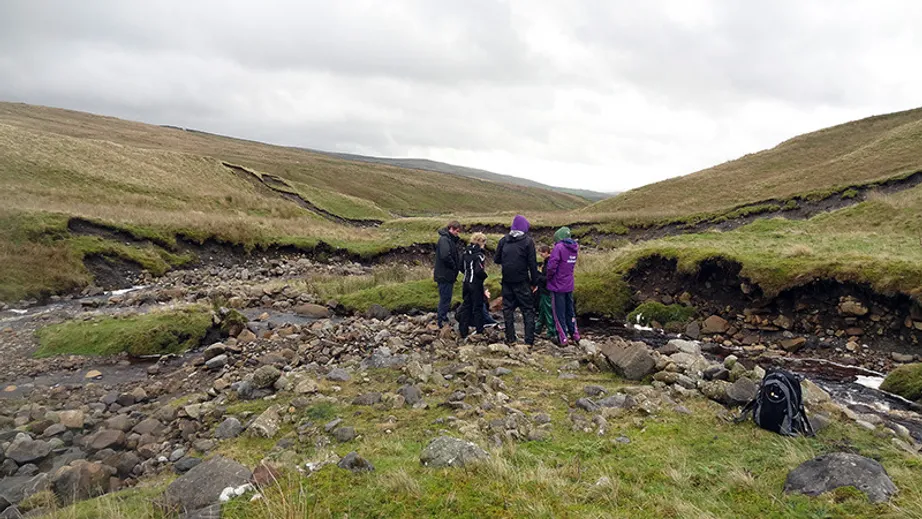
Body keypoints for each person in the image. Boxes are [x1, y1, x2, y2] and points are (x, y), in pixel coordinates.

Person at [494, 215, 538, 345]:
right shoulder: (528, 242)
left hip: (507, 281)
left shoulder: (503, 240)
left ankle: (511, 339)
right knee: (528, 310)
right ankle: (529, 341)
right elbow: (532, 264)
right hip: (522, 281)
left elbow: (496, 259)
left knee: (508, 310)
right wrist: (534, 282)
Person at [547, 226, 580, 345]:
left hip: (557, 285)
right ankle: (575, 334)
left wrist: (548, 277)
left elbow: (552, 266)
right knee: (570, 310)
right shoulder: (574, 248)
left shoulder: (559, 247)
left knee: (558, 312)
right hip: (569, 284)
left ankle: (563, 337)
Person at [457, 232, 488, 338]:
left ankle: (463, 330)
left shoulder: (465, 252)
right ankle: (479, 330)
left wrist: (467, 272)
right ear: (481, 242)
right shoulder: (480, 255)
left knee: (466, 305)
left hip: (466, 282)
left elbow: (460, 266)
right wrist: (484, 276)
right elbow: (479, 270)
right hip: (475, 283)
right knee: (477, 307)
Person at [433, 220, 462, 328]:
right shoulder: (445, 240)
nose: (457, 234)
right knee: (445, 298)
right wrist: (454, 266)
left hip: (445, 274)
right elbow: (445, 255)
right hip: (444, 275)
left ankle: (443, 317)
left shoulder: (447, 239)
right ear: (451, 228)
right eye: (456, 231)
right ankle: (441, 320)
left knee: (446, 297)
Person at [534, 244, 556, 341]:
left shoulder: (549, 263)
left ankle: (552, 331)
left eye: (542, 252)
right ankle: (537, 329)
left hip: (546, 290)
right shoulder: (548, 262)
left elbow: (547, 278)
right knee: (542, 310)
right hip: (544, 290)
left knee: (547, 311)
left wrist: (538, 276)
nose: (541, 254)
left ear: (547, 252)